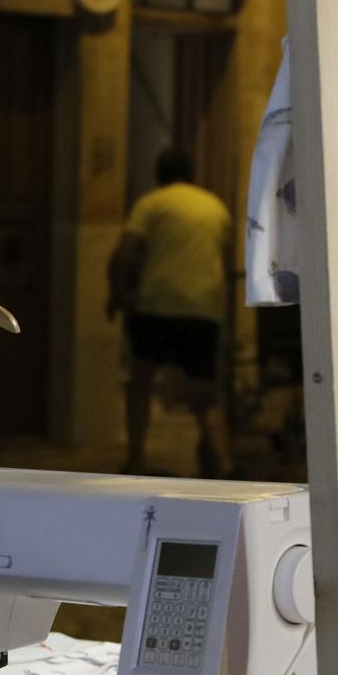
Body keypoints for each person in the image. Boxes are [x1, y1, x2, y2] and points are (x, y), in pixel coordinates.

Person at [109, 148, 233, 477]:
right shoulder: (215, 206)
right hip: (204, 307)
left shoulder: (152, 204)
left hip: (157, 304)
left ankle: (136, 458)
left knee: (141, 380)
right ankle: (222, 461)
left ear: (159, 175)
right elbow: (224, 256)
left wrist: (117, 294)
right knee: (205, 390)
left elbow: (125, 252)